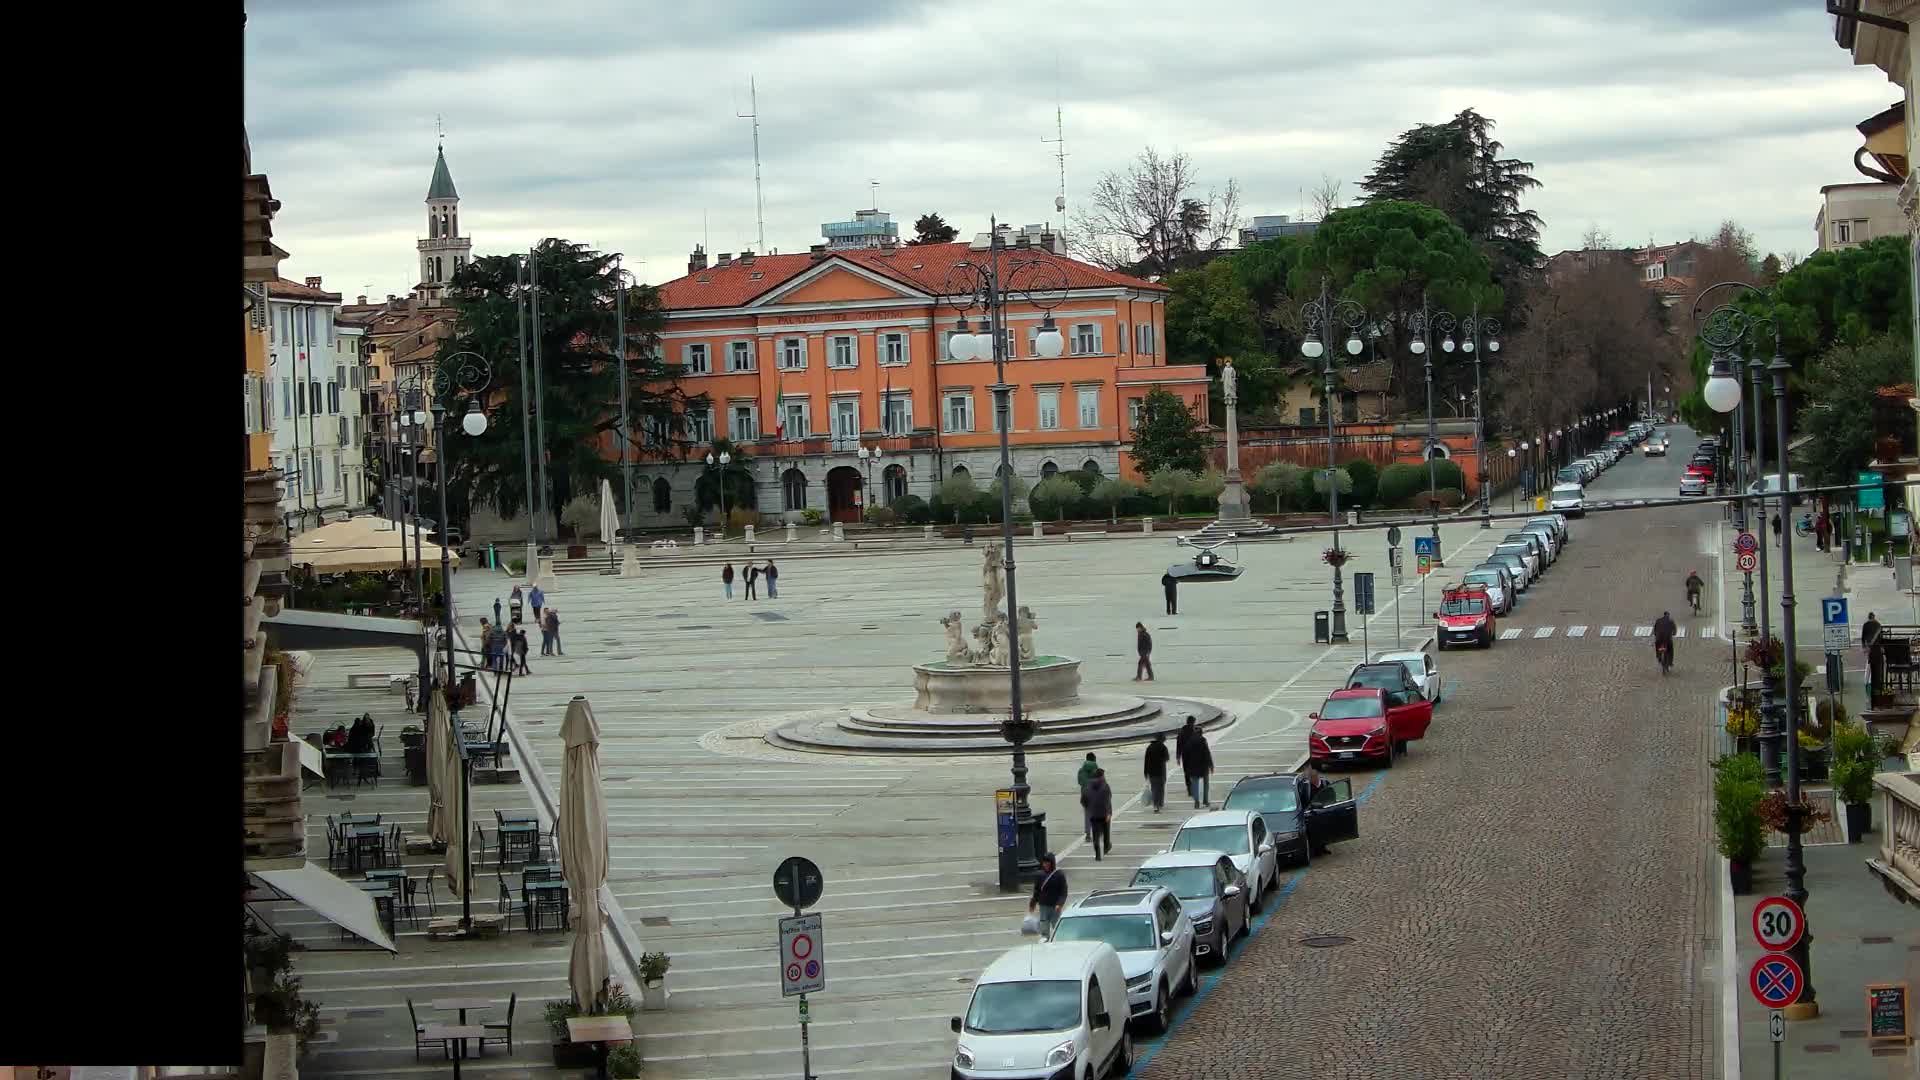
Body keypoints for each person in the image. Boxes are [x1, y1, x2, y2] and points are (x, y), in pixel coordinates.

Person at [1028, 853, 1067, 938]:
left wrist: (1060, 903)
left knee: (1056, 925)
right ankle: (1045, 939)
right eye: (1044, 862)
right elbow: (1037, 891)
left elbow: (1063, 891)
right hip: (1044, 905)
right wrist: (1033, 904)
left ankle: (1058, 939)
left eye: (1047, 862)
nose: (1045, 864)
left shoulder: (1059, 875)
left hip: (1055, 905)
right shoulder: (1040, 875)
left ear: (1052, 863)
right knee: (1044, 926)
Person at [1178, 715, 1214, 808]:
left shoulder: (1190, 741)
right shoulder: (1203, 740)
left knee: (1195, 784)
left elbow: (1185, 752)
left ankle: (1196, 801)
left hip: (1192, 765)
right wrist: (1211, 765)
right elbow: (1207, 753)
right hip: (1203, 765)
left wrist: (1182, 760)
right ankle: (1205, 800)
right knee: (1205, 784)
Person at [1084, 769, 1114, 860]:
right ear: (1101, 776)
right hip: (1104, 813)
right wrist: (1109, 812)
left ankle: (1097, 854)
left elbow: (1084, 800)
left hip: (1093, 814)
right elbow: (1108, 800)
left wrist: (1089, 808)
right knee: (1106, 831)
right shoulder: (1105, 786)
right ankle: (1106, 847)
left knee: (1095, 834)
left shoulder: (1088, 786)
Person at [1143, 732, 1170, 812]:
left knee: (1154, 788)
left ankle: (1156, 805)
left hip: (1151, 771)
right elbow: (1167, 758)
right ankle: (1160, 803)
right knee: (1161, 788)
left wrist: (1145, 772)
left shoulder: (1149, 747)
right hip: (1161, 771)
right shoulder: (1163, 747)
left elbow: (1146, 761)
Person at [1863, 611, 1885, 702]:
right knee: (1878, 673)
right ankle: (1878, 692)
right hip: (1878, 652)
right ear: (1874, 617)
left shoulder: (1866, 625)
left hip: (1871, 652)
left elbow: (1863, 638)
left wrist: (1865, 647)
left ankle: (1870, 695)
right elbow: (1881, 639)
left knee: (1869, 672)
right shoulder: (1878, 625)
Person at [1077, 753, 1100, 840]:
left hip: (1085, 794)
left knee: (1087, 814)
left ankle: (1088, 834)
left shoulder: (1081, 770)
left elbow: (1080, 782)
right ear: (1094, 759)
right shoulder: (1095, 768)